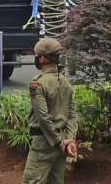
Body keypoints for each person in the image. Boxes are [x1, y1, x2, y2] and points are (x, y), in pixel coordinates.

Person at [22, 38, 78, 184]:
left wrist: (58, 142)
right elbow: (72, 115)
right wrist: (69, 140)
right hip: (62, 143)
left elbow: (43, 118)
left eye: (37, 55)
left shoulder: (38, 83)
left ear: (43, 58)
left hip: (44, 143)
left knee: (31, 181)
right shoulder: (65, 83)